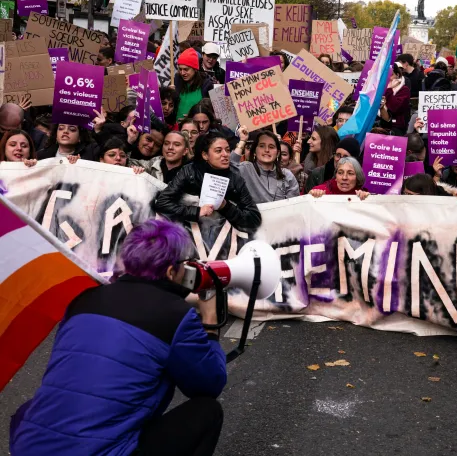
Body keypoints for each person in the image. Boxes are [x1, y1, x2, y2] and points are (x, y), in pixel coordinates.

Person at [9, 219, 227, 456]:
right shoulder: (175, 315)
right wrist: (210, 323)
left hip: (29, 448)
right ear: (171, 271)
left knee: (33, 410)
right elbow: (209, 383)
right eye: (185, 265)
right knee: (207, 411)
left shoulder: (83, 300)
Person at [155, 132, 262, 231]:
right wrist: (196, 211)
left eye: (228, 150)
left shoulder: (235, 179)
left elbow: (254, 219)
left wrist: (226, 206)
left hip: (221, 241)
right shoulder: (189, 171)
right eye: (218, 151)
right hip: (188, 235)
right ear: (205, 155)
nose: (225, 154)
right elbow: (162, 202)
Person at [230, 127, 299, 203]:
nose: (266, 150)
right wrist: (242, 141)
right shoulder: (246, 169)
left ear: (278, 153)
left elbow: (293, 205)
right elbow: (229, 168)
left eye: (271, 147)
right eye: (262, 146)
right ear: (255, 151)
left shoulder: (287, 175)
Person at [175, 48, 214, 121]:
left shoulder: (206, 85)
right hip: (176, 129)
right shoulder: (176, 81)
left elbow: (210, 112)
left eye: (186, 69)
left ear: (195, 69)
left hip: (197, 129)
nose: (182, 73)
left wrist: (193, 117)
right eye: (180, 69)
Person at [380, 63, 411, 136]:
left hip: (396, 127)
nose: (388, 78)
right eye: (386, 76)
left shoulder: (404, 90)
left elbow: (395, 108)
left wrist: (389, 90)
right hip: (380, 125)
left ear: (397, 75)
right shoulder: (379, 89)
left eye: (391, 75)